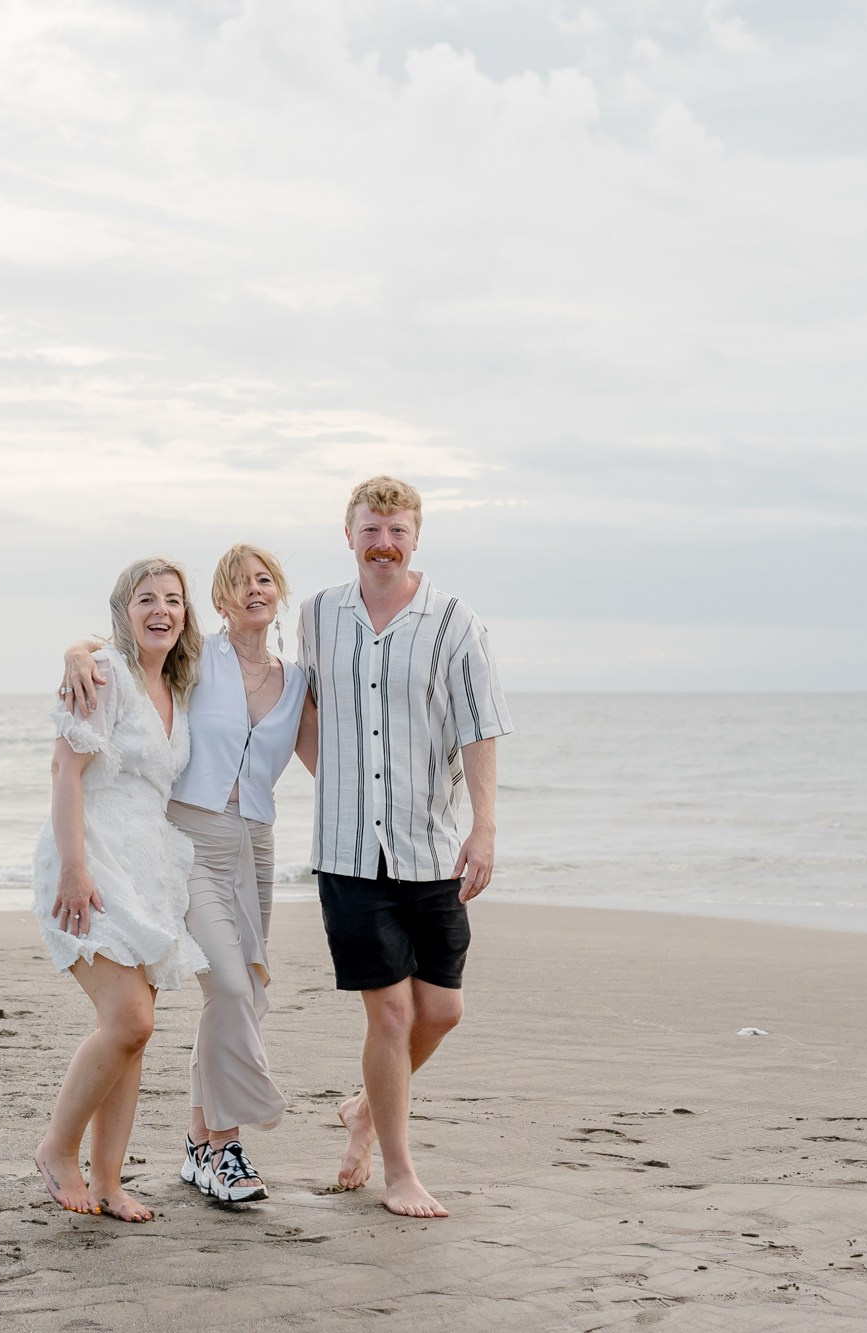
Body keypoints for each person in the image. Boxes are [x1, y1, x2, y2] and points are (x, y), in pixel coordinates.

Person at [62, 545, 310, 1205]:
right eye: (237, 583)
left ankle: (204, 1145)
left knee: (248, 991)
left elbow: (329, 759)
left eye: (264, 580)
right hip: (193, 838)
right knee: (226, 983)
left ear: (279, 592)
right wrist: (75, 651)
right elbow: (122, 648)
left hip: (256, 842)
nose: (252, 591)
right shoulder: (200, 662)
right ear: (220, 603)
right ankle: (224, 1141)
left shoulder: (297, 677)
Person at [296, 475, 511, 1218]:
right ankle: (395, 1169)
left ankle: (364, 1106)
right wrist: (340, 780)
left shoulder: (454, 620)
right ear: (348, 533)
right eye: (370, 529)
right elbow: (299, 707)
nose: (383, 544)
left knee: (441, 1010)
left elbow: (480, 727)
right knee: (388, 1013)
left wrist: (483, 826)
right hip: (348, 852)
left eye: (396, 530)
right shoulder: (318, 615)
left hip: (430, 845)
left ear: (415, 536)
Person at [32, 556, 208, 1223]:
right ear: (123, 611)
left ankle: (108, 1179)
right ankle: (57, 1146)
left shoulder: (178, 690)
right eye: (146, 598)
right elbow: (64, 768)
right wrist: (74, 867)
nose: (161, 609)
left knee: (135, 1034)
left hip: (149, 870)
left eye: (173, 599)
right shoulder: (104, 673)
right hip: (92, 860)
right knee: (128, 1019)